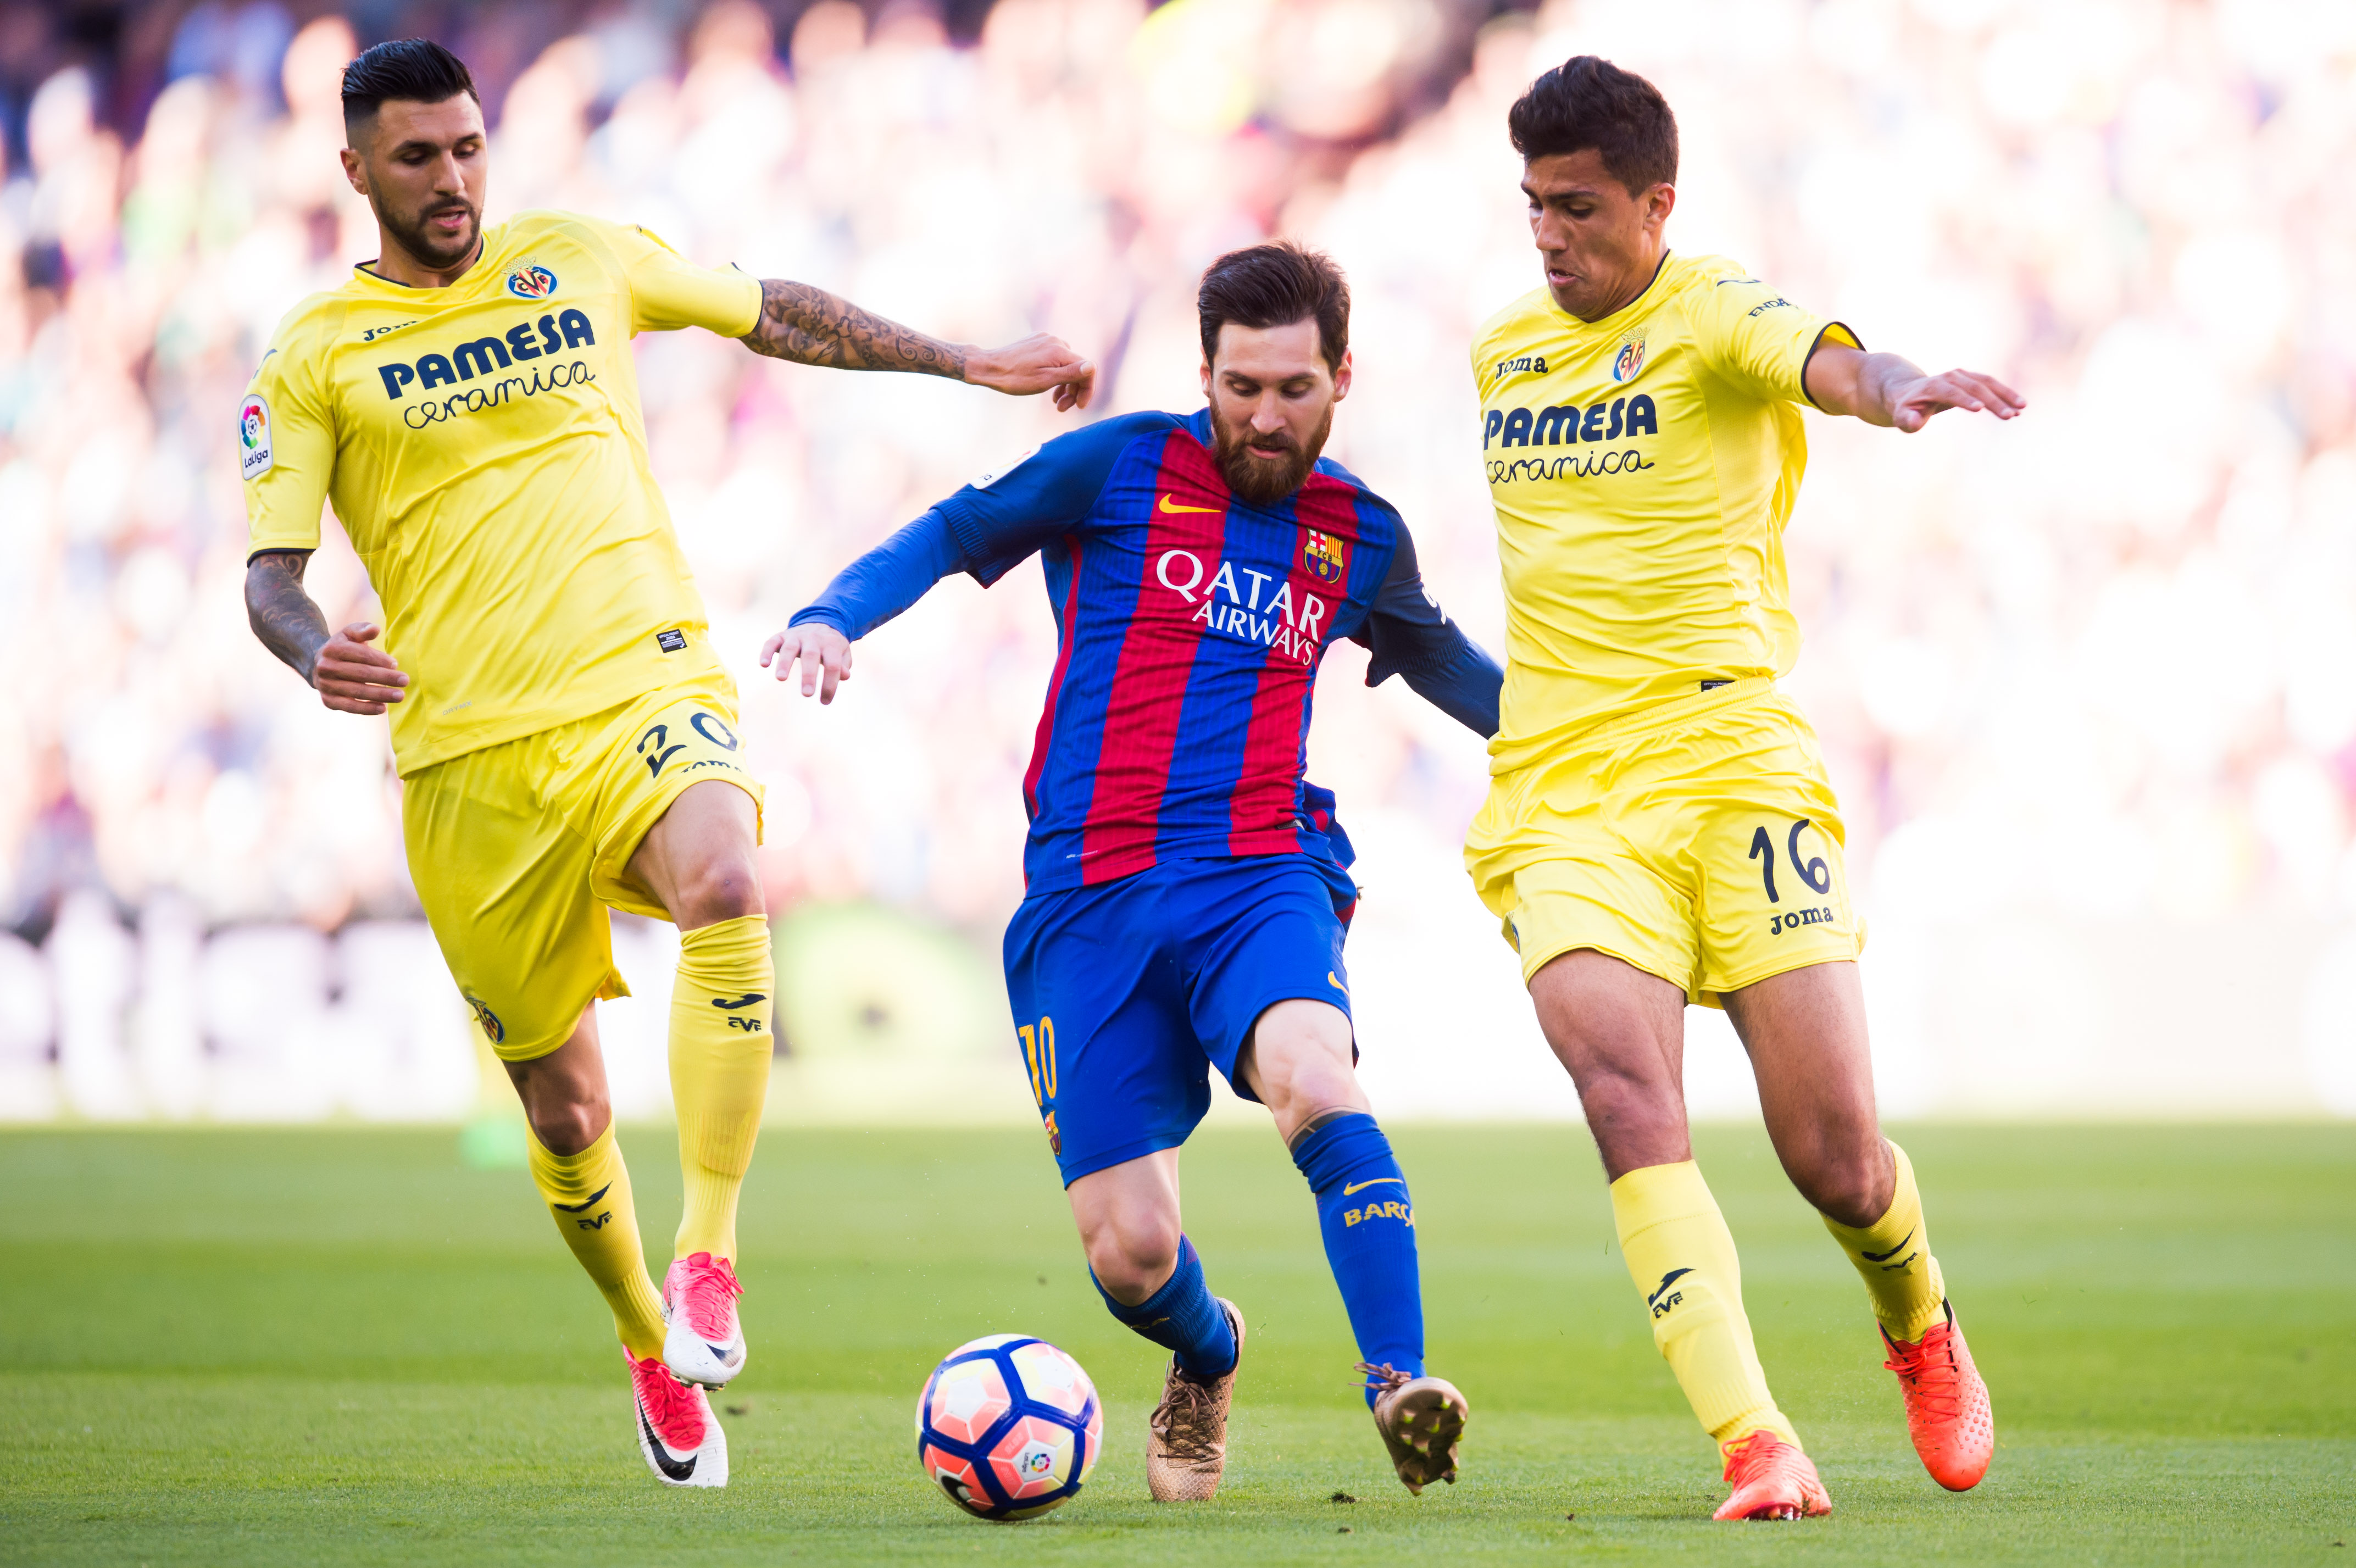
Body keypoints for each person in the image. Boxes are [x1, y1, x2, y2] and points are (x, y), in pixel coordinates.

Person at [238, 38, 1093, 1489]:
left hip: (639, 674)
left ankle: (710, 1251)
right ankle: (645, 1331)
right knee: (563, 1109)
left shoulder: (576, 254)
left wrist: (961, 359)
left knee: (725, 876)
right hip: (464, 759)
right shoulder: (313, 352)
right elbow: (268, 572)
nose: (451, 181)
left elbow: (773, 314)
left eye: (466, 149)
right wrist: (311, 645)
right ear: (354, 170)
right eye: (416, 158)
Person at [766, 242, 1497, 1500]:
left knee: (1313, 1077)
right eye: (1239, 385)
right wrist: (836, 611)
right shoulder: (1116, 465)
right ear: (1202, 372)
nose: (1264, 415)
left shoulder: (1360, 534)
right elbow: (956, 528)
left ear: (1342, 378)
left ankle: (1398, 1381)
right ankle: (1206, 1355)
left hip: (1257, 871)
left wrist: (1579, 733)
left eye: (1293, 388)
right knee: (1128, 1252)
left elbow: (1438, 658)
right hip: (1087, 904)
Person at [1462, 56, 2022, 1521]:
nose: (1548, 235)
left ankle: (1916, 1309)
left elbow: (1827, 361)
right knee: (1625, 1091)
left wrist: (1896, 387)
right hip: (1566, 784)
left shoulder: (1710, 307)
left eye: (1576, 207)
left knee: (1832, 1152)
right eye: (1531, 205)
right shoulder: (1503, 349)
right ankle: (1757, 1439)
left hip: (1734, 759)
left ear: (1657, 204)